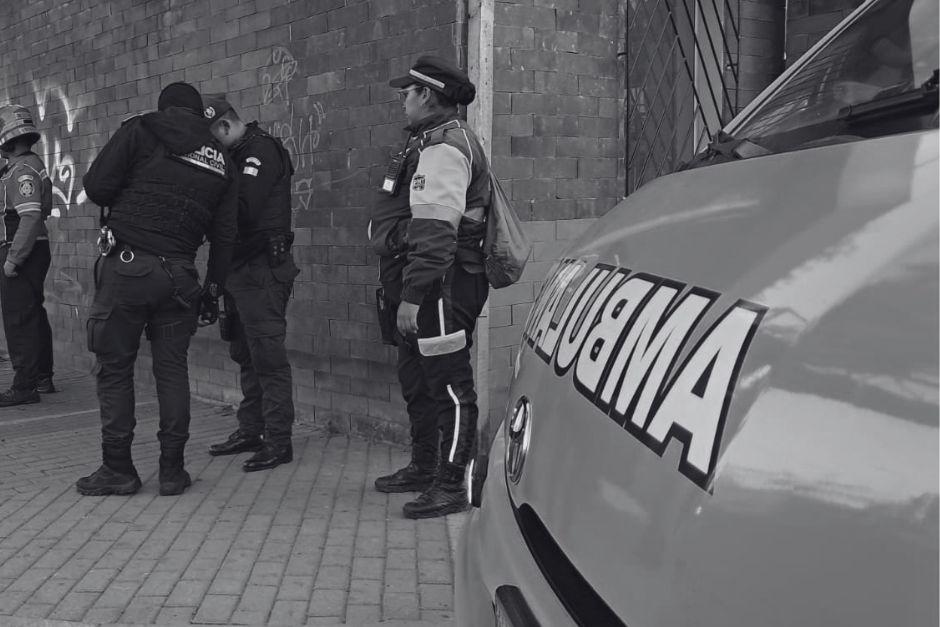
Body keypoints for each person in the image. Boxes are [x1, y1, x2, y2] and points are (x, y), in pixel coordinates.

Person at [77, 82, 238, 497]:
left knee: (115, 368)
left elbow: (97, 188)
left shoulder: (143, 130)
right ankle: (172, 470)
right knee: (172, 371)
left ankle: (118, 468)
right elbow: (225, 236)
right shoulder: (221, 159)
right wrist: (212, 290)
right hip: (181, 279)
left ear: (164, 108)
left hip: (127, 268)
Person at [369, 56, 489, 519]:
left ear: (427, 95)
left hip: (442, 286)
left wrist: (414, 298)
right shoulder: (426, 143)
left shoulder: (445, 148)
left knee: (451, 388)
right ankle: (423, 467)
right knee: (418, 381)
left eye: (408, 93)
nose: (403, 100)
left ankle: (450, 483)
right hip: (424, 284)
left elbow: (437, 234)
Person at [204, 98, 299, 472]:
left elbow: (243, 209)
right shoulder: (237, 155)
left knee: (268, 358)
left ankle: (278, 441)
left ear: (225, 127)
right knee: (245, 353)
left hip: (262, 271)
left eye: (211, 139)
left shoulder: (259, 151)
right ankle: (251, 429)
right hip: (240, 271)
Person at [0, 104, 55, 406]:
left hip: (22, 251)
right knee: (33, 314)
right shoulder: (25, 164)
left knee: (19, 319)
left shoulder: (22, 170)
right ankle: (42, 377)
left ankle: (24, 386)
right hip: (32, 249)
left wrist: (13, 260)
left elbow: (30, 216)